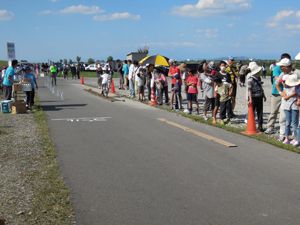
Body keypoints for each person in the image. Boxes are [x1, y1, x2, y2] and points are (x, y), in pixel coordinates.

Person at [265, 54, 292, 140]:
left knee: (286, 112)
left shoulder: (292, 71)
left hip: (287, 94)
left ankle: (286, 131)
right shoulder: (277, 68)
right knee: (274, 111)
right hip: (277, 93)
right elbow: (277, 80)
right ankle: (270, 126)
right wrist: (281, 91)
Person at [247, 62, 266, 132]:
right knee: (252, 112)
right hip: (254, 97)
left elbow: (260, 86)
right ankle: (252, 125)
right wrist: (250, 99)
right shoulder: (250, 80)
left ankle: (260, 126)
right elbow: (249, 90)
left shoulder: (258, 78)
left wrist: (264, 95)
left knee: (260, 111)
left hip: (259, 96)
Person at [280, 75, 299, 145]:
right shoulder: (286, 88)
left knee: (294, 123)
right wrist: (291, 95)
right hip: (287, 107)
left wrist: (295, 98)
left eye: (284, 82)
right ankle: (287, 138)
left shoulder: (296, 88)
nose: (283, 83)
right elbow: (285, 97)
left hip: (294, 107)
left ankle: (295, 138)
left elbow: (297, 96)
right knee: (287, 123)